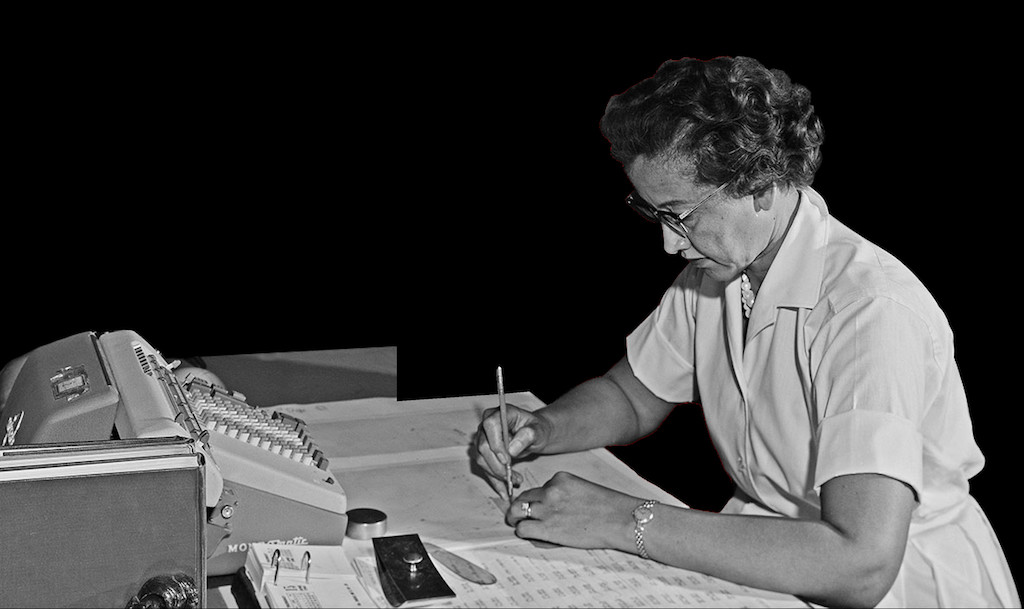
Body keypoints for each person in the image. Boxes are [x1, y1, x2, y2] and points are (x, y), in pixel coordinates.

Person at [473, 56, 1019, 608]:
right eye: (655, 215)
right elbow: (631, 397)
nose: (669, 243)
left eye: (681, 216)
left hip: (902, 587)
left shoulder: (868, 311)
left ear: (760, 187)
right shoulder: (716, 274)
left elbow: (861, 562)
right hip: (773, 553)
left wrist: (623, 520)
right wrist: (544, 428)